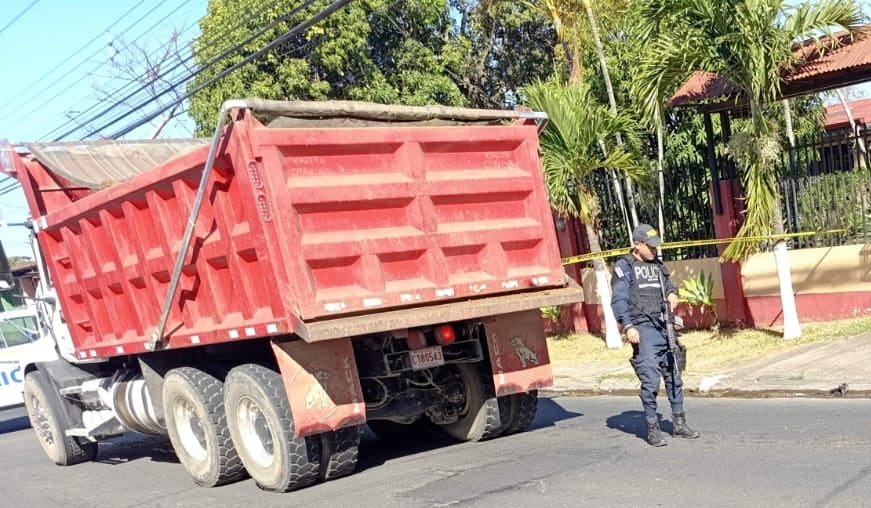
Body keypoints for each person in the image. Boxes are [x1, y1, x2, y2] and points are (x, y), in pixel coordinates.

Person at [610, 224, 700, 446]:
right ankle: (652, 427)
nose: (654, 250)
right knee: (650, 380)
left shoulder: (657, 265)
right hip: (642, 329)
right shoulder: (625, 266)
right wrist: (628, 326)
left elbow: (669, 285)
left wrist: (672, 294)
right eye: (650, 247)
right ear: (637, 244)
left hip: (663, 326)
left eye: (655, 247)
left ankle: (679, 423)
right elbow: (619, 300)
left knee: (674, 375)